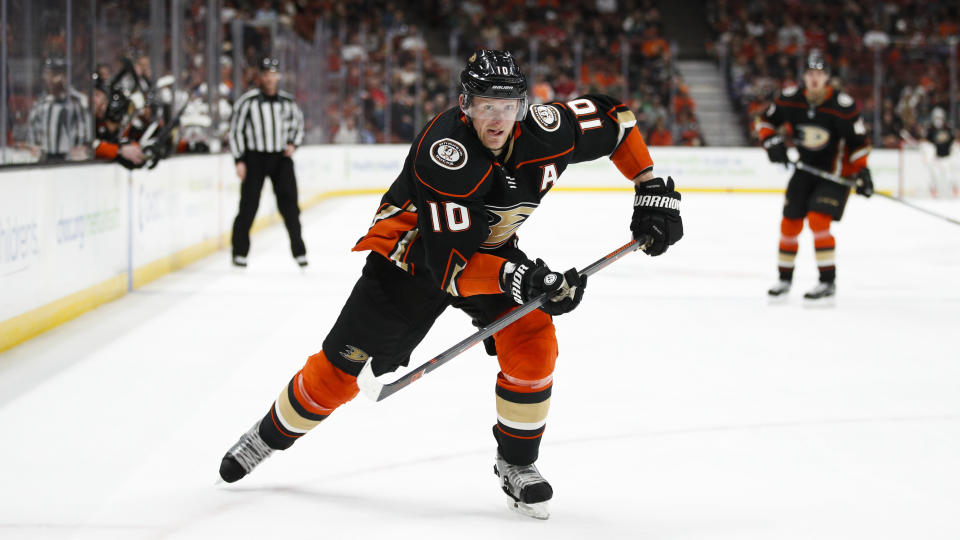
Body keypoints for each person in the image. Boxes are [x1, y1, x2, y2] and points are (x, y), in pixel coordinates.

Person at [217, 49, 683, 520]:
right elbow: (450, 268)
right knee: (338, 375)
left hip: (484, 252)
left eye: (507, 106)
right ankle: (267, 435)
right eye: (485, 106)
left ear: (522, 106)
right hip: (409, 264)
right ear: (465, 104)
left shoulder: (547, 128)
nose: (497, 119)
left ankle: (517, 464)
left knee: (532, 336)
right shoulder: (446, 156)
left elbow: (616, 118)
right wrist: (522, 277)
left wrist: (647, 185)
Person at [756, 50, 873, 303]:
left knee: (819, 221)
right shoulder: (790, 99)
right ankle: (784, 279)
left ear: (827, 77)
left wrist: (862, 171)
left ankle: (827, 281)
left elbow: (859, 143)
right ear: (804, 77)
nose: (815, 79)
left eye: (819, 74)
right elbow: (763, 122)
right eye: (810, 74)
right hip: (804, 170)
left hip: (835, 174)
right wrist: (771, 141)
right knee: (789, 225)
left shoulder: (842, 106)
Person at [228, 57, 307, 268]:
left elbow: (299, 126)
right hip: (255, 157)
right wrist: (239, 160)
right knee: (248, 205)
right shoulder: (248, 102)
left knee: (290, 206)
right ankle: (239, 252)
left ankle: (299, 251)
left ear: (278, 76)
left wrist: (293, 144)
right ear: (260, 76)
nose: (270, 78)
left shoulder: (288, 102)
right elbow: (235, 131)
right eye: (266, 74)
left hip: (281, 158)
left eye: (273, 73)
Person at [27, 57, 92, 162]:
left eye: (56, 74)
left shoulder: (76, 101)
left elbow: (84, 130)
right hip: (45, 156)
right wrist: (34, 146)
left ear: (65, 76)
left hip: (69, 158)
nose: (51, 79)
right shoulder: (42, 101)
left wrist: (81, 147)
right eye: (48, 74)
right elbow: (33, 127)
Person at [91, 74, 145, 169]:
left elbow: (133, 145)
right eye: (95, 95)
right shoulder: (90, 124)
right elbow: (90, 146)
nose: (95, 101)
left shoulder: (126, 128)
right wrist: (119, 151)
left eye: (97, 95)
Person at [925, 107, 957, 197]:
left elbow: (953, 142)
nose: (938, 120)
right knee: (935, 175)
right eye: (936, 118)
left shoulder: (948, 129)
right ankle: (934, 191)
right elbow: (928, 144)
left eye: (939, 118)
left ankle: (954, 191)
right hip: (937, 158)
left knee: (949, 176)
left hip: (947, 157)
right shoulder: (931, 130)